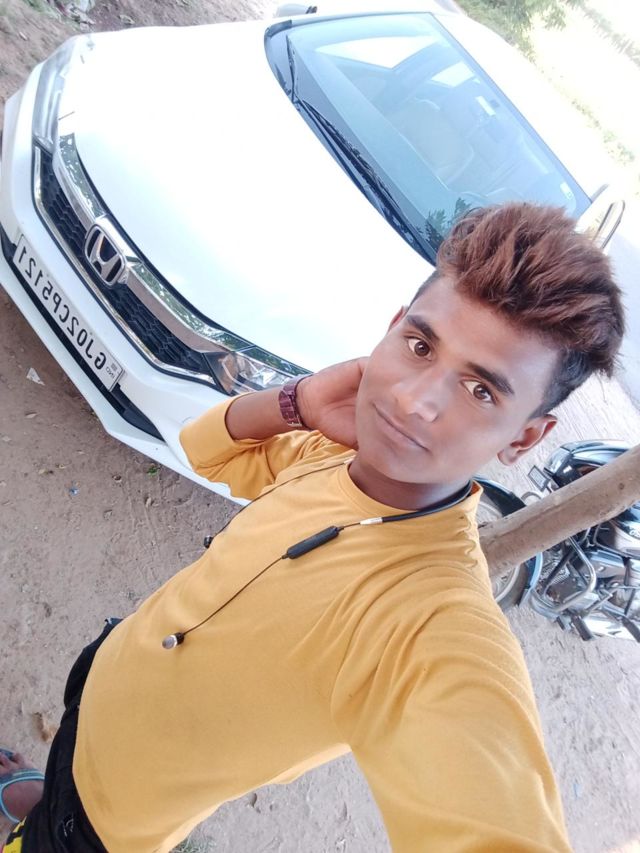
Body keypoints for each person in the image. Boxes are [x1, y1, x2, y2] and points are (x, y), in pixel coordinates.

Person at [1, 203, 624, 852]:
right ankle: (37, 796)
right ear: (391, 329)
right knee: (58, 770)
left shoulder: (432, 620)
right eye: (419, 347)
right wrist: (296, 401)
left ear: (525, 438)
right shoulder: (334, 454)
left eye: (480, 391)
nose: (414, 401)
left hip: (106, 821)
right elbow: (206, 451)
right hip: (102, 676)